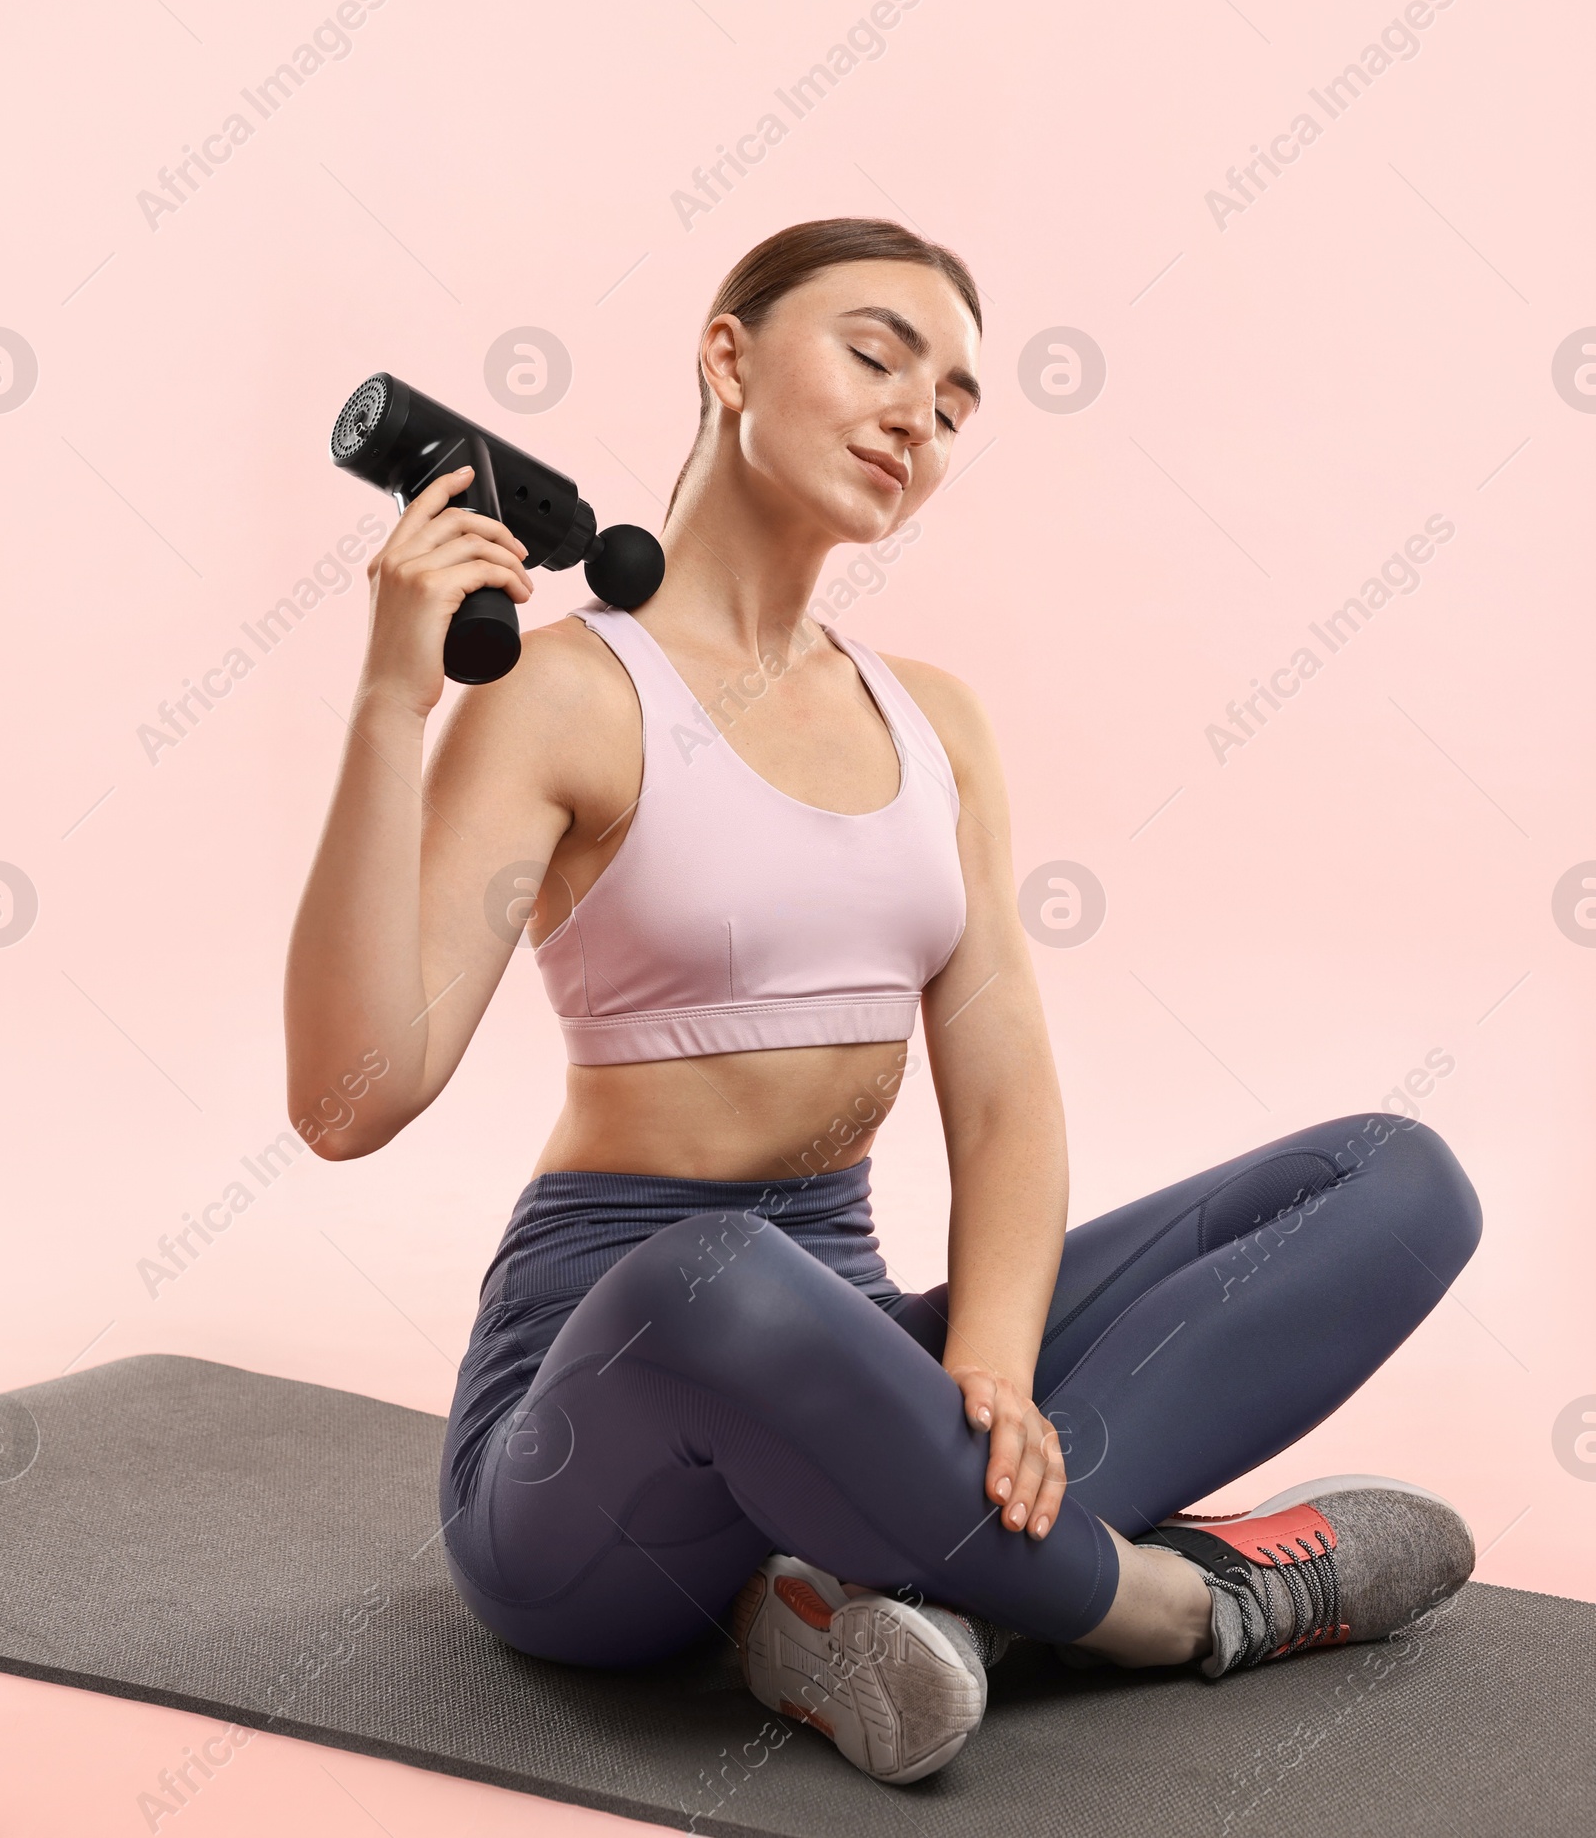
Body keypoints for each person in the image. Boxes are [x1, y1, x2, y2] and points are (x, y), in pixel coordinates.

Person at [284, 217, 1483, 1788]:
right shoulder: (567, 693)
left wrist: (985, 1369)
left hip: (866, 1367)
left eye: (960, 402)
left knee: (1396, 1185)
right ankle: (1172, 1606)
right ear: (728, 356)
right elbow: (347, 1102)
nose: (921, 415)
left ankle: (893, 1590)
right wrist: (392, 700)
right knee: (715, 1273)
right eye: (874, 354)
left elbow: (1004, 1098)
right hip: (599, 1418)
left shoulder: (939, 725)